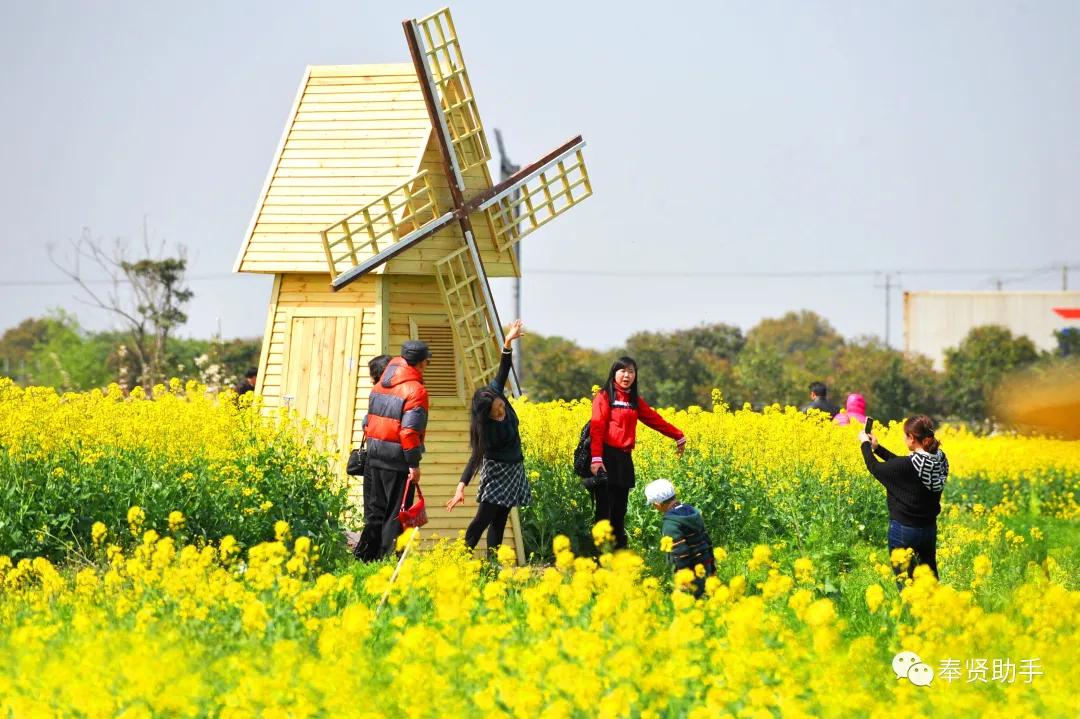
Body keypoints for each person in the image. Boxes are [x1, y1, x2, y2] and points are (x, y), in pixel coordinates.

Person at [446, 320, 529, 554]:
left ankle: (492, 563)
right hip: (496, 472)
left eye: (502, 405)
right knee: (483, 518)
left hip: (514, 469)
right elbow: (475, 459)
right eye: (497, 411)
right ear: (486, 415)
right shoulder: (485, 429)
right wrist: (460, 487)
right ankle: (461, 556)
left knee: (500, 520)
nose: (502, 410)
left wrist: (507, 341)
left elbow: (503, 370)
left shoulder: (493, 392)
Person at [589, 357, 686, 550]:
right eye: (622, 371)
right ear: (614, 373)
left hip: (624, 459)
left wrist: (678, 435)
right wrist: (596, 458)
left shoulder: (633, 400)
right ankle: (600, 554)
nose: (627, 375)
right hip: (605, 458)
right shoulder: (604, 396)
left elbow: (654, 419)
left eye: (631, 371)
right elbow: (597, 428)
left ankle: (619, 552)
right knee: (604, 510)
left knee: (620, 510)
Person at [860, 415, 949, 585]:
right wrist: (878, 448)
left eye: (906, 435)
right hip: (928, 529)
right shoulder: (940, 459)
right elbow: (902, 465)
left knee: (905, 581)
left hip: (904, 531)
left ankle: (909, 611)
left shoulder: (909, 465)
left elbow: (875, 467)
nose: (903, 438)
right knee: (929, 579)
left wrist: (864, 443)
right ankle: (935, 610)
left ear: (913, 439)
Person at [363, 341, 430, 559]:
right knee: (397, 512)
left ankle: (370, 559)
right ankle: (389, 562)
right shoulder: (416, 390)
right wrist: (413, 464)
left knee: (378, 510)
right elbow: (409, 432)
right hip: (397, 460)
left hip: (375, 456)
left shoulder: (380, 384)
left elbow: (368, 421)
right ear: (420, 364)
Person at [645, 478, 716, 598]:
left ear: (658, 504)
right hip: (706, 568)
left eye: (654, 505)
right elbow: (707, 540)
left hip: (690, 575)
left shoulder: (671, 524)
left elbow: (680, 554)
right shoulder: (693, 512)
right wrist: (713, 569)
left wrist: (682, 580)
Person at [352, 354, 392, 561]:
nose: (370, 380)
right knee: (382, 512)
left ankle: (365, 556)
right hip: (390, 460)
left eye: (372, 375)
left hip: (377, 459)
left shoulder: (379, 394)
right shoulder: (399, 393)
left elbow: (368, 423)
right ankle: (375, 555)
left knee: (374, 512)